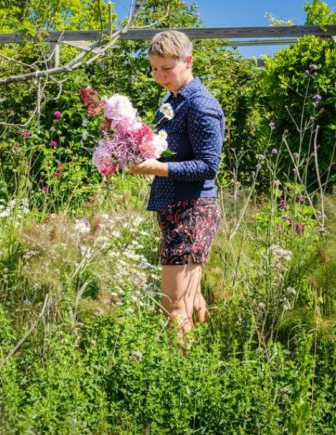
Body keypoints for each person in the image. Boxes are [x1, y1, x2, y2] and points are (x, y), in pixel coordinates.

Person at [130, 30, 223, 348]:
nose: (159, 76)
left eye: (166, 68)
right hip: (175, 208)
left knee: (174, 306)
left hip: (193, 209)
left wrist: (157, 168)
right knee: (192, 299)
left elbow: (208, 166)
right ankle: (207, 362)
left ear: (188, 62)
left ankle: (178, 387)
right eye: (154, 68)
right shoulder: (170, 101)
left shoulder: (201, 106)